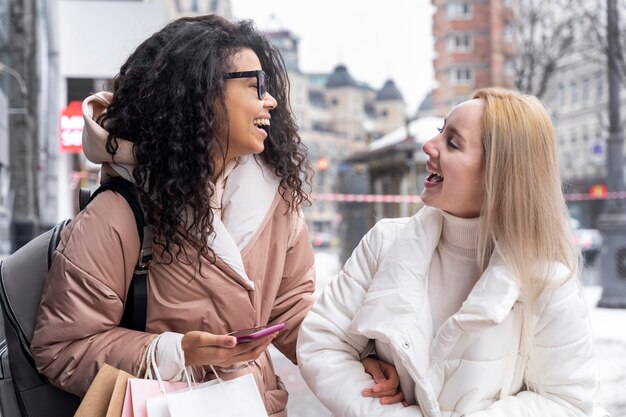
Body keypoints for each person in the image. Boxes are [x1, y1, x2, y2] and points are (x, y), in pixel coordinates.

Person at [31, 15, 402, 416]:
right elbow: (61, 347)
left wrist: (353, 356)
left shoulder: (276, 203)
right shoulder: (119, 212)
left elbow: (293, 311)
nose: (271, 100)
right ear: (198, 93)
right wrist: (175, 353)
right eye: (255, 84)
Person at [297, 88, 599, 417]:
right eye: (440, 131)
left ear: (497, 175)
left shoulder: (547, 281)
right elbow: (322, 342)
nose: (429, 146)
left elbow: (567, 401)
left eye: (452, 142)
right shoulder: (384, 243)